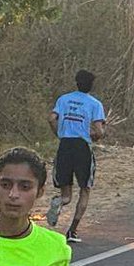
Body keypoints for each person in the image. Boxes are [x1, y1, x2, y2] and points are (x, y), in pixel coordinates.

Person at [45, 69, 107, 243]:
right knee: (85, 189)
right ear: (91, 85)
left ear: (76, 82)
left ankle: (59, 202)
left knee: (67, 194)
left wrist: (59, 133)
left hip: (65, 145)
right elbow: (99, 130)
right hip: (82, 147)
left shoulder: (63, 99)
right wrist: (98, 135)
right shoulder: (95, 104)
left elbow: (51, 118)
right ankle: (72, 230)